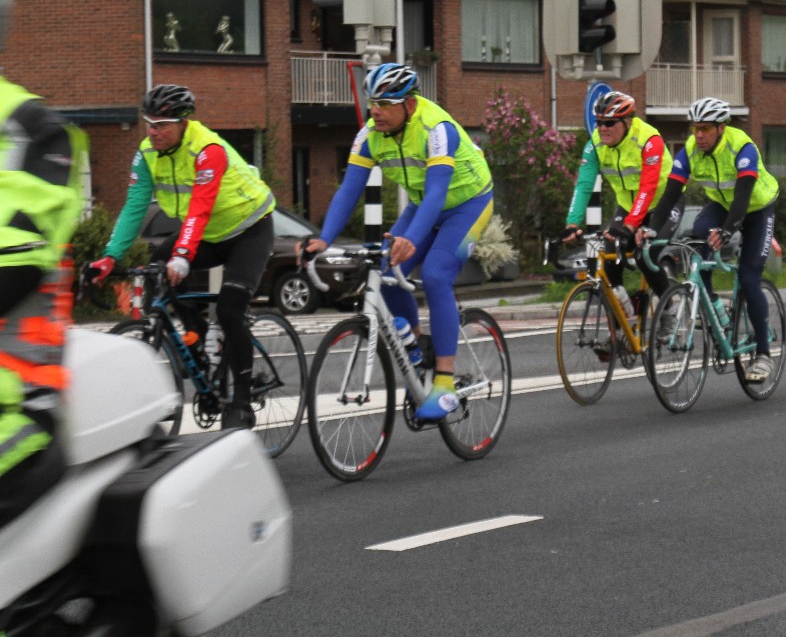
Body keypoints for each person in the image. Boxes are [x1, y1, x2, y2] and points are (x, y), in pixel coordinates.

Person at [301, 63, 493, 422]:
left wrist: (411, 238)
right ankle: (417, 348)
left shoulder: (437, 129)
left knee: (435, 274)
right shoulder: (369, 135)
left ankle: (445, 383)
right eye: (373, 103)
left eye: (386, 104)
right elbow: (349, 190)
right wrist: (323, 239)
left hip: (468, 204)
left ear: (410, 104)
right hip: (424, 205)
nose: (376, 111)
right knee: (385, 271)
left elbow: (437, 192)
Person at [88, 84, 275, 430]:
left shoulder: (207, 150)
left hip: (249, 231)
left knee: (230, 309)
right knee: (160, 265)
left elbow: (199, 208)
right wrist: (110, 257)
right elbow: (134, 207)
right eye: (149, 123)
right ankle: (197, 336)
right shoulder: (147, 153)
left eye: (161, 125)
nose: (153, 131)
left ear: (184, 122)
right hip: (209, 234)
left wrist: (184, 256)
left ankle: (242, 401)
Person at [0, 0, 85, 527]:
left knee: (229, 307)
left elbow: (17, 259)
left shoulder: (28, 129)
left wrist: (179, 255)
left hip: (13, 408)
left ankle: (236, 396)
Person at [642, 97, 779, 382]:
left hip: (757, 208)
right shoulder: (690, 151)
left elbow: (743, 197)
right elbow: (670, 195)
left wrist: (728, 231)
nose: (699, 134)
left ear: (721, 128)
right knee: (698, 235)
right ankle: (714, 305)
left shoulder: (742, 147)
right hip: (723, 205)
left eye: (705, 128)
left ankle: (764, 354)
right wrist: (652, 230)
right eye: (695, 128)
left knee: (749, 278)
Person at [560, 91, 673, 316]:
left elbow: (648, 187)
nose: (603, 128)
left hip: (663, 204)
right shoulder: (595, 144)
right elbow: (584, 184)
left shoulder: (649, 140)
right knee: (609, 255)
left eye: (609, 123)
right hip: (629, 206)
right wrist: (572, 223)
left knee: (645, 256)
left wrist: (630, 226)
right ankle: (625, 317)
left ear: (627, 122)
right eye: (599, 122)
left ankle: (670, 310)